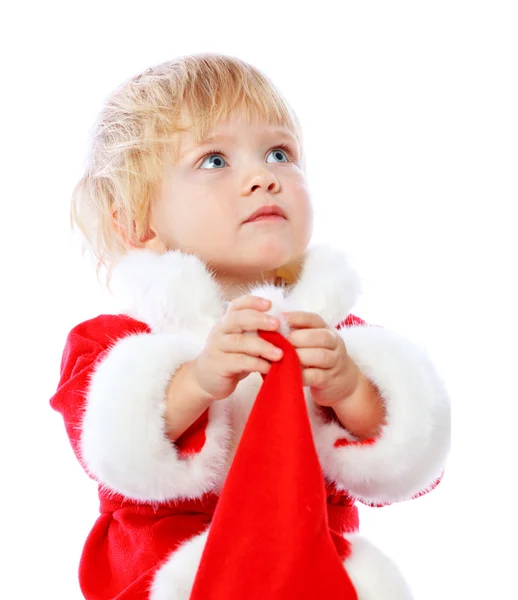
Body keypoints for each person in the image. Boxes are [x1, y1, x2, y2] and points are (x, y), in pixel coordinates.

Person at [51, 53, 451, 600]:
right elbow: (110, 450)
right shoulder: (112, 344)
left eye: (279, 153)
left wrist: (351, 389)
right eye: (214, 160)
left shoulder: (336, 337)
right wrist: (196, 379)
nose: (264, 177)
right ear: (136, 222)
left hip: (310, 577)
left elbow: (407, 460)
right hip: (168, 580)